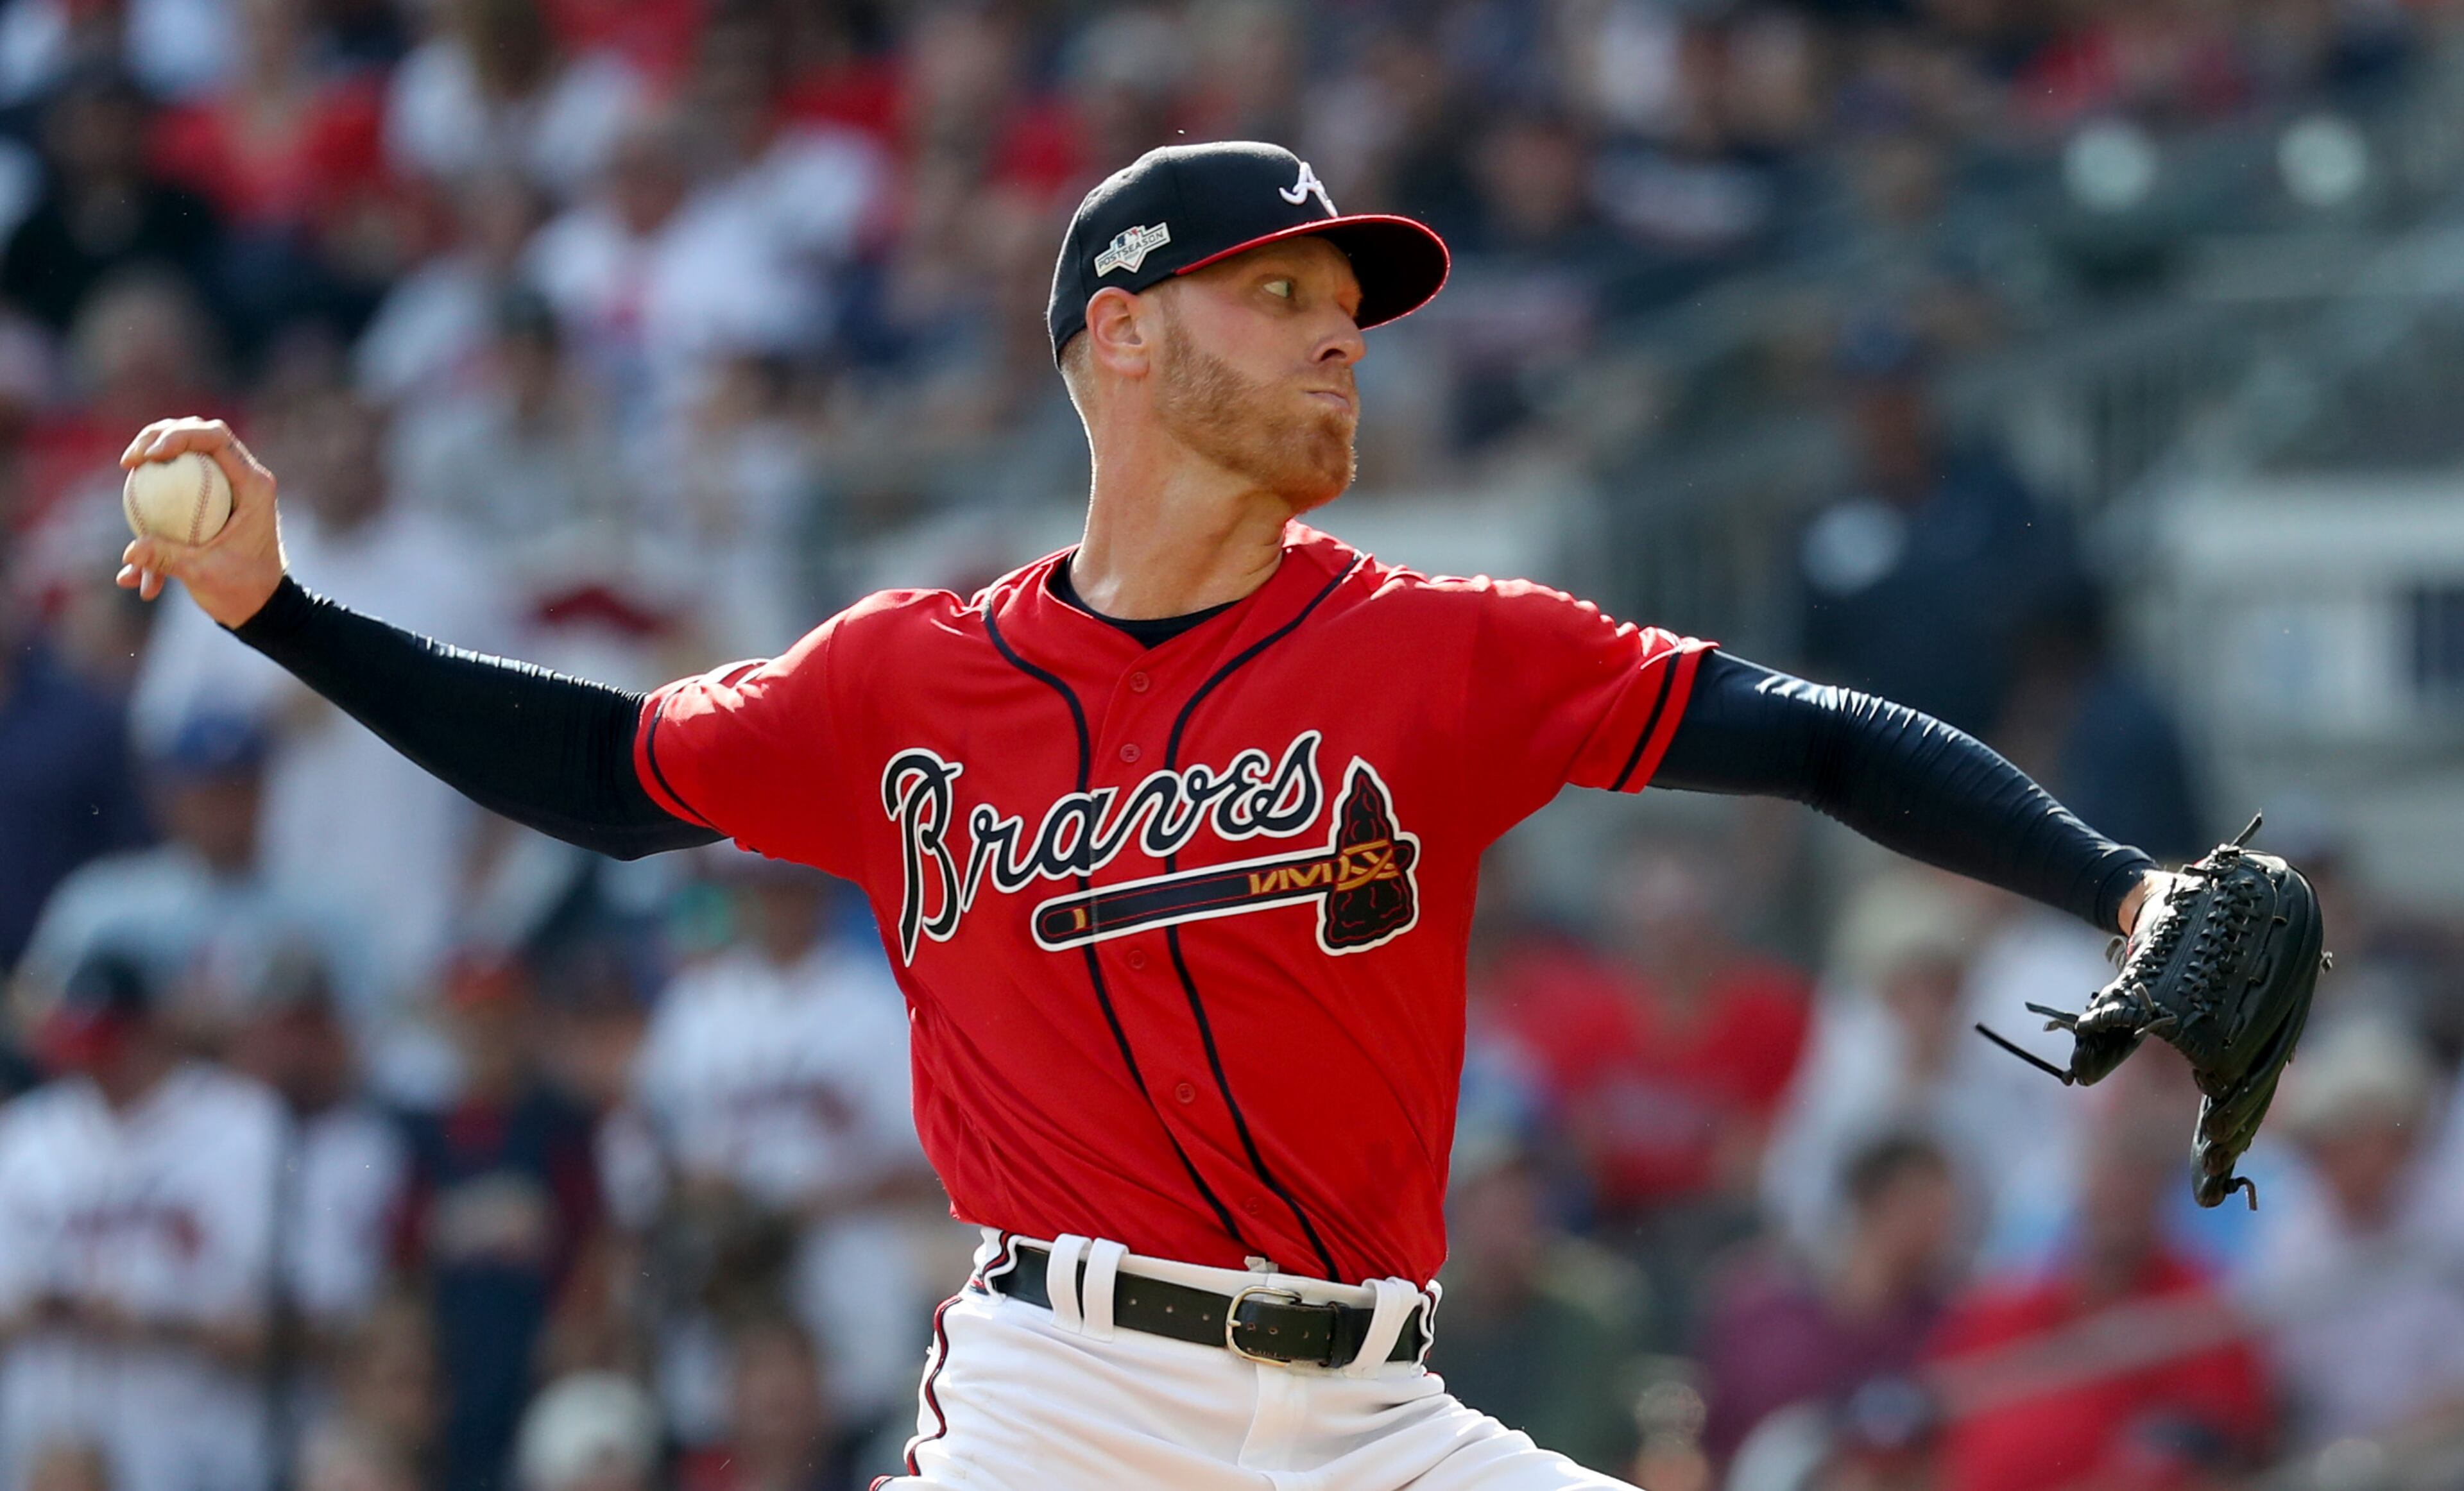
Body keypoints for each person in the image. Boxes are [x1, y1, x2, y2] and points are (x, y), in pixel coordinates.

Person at [116, 140, 2173, 1490]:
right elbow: (604, 772)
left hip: (1379, 1416)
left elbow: (1811, 735)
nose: (1336, 335)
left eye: (1346, 306)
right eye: (1276, 294)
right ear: (1116, 333)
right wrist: (282, 612)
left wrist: (2117, 883)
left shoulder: (1440, 649)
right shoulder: (904, 683)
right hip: (1067, 1404)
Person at [0, 950, 288, 1491]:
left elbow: (283, 1328)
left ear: (153, 1031)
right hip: (49, 1450)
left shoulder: (245, 1125)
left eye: (109, 1047)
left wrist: (157, 1321)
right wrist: (42, 1308)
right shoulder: (25, 1136)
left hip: (193, 1448)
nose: (95, 1068)